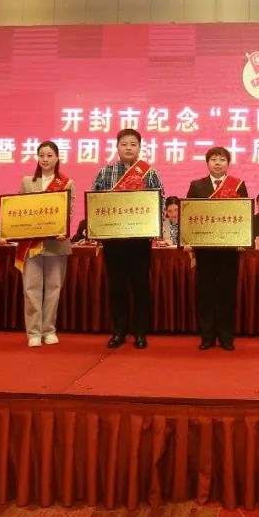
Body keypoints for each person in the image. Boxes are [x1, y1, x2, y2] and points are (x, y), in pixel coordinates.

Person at [92, 128, 165, 350]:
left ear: (139, 147)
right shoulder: (105, 172)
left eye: (133, 144)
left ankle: (140, 332)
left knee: (141, 286)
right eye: (124, 144)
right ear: (117, 147)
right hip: (114, 240)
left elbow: (160, 201)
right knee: (117, 287)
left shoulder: (149, 173)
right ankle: (119, 331)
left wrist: (155, 228)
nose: (128, 148)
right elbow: (95, 202)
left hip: (139, 240)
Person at [185, 146, 248, 351]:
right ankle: (207, 336)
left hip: (229, 250)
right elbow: (189, 215)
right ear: (207, 163)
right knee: (206, 292)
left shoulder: (238, 185)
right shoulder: (197, 186)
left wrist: (243, 240)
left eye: (222, 159)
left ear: (228, 163)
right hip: (205, 249)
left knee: (227, 293)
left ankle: (226, 337)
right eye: (213, 159)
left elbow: (243, 215)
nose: (218, 163)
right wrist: (188, 239)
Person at [17, 141, 73, 348]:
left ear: (57, 158)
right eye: (42, 155)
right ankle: (33, 332)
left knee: (53, 289)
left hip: (56, 243)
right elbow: (19, 209)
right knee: (31, 288)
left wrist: (63, 229)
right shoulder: (27, 182)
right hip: (31, 243)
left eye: (49, 155)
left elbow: (68, 211)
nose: (45, 159)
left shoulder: (67, 183)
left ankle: (49, 330)